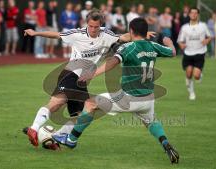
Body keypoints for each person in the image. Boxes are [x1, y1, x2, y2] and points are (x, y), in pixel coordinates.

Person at [52, 17, 179, 164]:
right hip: (148, 99)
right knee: (151, 122)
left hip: (129, 98)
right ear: (145, 32)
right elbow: (173, 52)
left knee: (90, 103)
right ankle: (166, 144)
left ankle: (71, 139)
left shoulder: (128, 47)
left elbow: (112, 62)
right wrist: (169, 43)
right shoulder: (153, 46)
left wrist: (92, 74)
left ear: (131, 31)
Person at [22, 10, 155, 150]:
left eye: (96, 27)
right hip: (70, 74)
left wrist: (140, 36)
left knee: (82, 115)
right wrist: (35, 33)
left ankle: (54, 137)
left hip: (82, 81)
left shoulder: (106, 34)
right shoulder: (77, 34)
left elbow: (123, 37)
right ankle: (35, 129)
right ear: (87, 23)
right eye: (90, 26)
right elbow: (56, 35)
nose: (92, 29)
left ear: (101, 25)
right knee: (57, 103)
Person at [177, 7, 211, 100]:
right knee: (188, 74)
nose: (193, 14)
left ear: (198, 15)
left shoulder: (203, 25)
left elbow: (209, 36)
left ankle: (199, 75)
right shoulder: (184, 27)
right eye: (192, 13)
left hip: (200, 52)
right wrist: (181, 45)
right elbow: (180, 40)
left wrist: (207, 40)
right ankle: (191, 93)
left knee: (196, 76)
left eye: (195, 13)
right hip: (188, 53)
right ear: (189, 14)